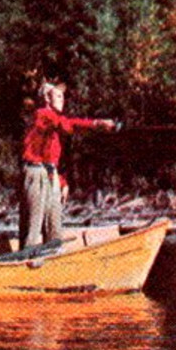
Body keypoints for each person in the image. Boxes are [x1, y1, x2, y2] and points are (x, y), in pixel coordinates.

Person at [18, 80, 115, 247]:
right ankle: (26, 260)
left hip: (48, 172)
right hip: (35, 172)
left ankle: (53, 257)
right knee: (33, 225)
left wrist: (61, 181)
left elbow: (48, 157)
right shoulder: (43, 115)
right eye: (58, 95)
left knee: (54, 223)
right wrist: (97, 124)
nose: (62, 99)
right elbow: (69, 126)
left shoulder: (52, 127)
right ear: (47, 99)